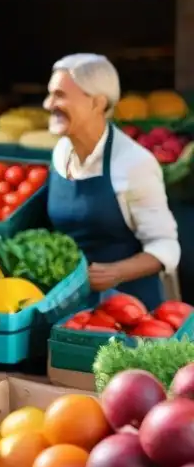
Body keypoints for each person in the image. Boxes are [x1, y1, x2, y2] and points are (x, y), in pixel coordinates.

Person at [44, 53, 180, 308]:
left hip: (128, 310)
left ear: (97, 103)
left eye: (60, 95)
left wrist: (115, 271)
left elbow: (166, 246)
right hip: (70, 305)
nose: (48, 104)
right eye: (50, 94)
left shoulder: (133, 164)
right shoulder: (60, 152)